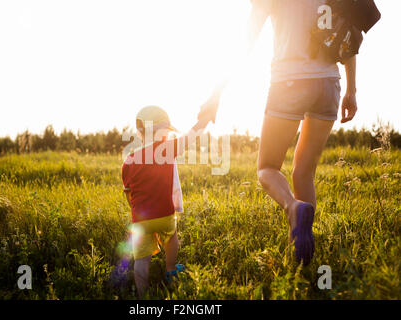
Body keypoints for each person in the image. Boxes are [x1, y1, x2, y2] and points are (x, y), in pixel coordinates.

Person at [197, 0, 358, 266]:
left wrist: (215, 95)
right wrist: (352, 89)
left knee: (267, 168)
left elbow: (244, 44)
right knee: (304, 172)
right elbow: (348, 39)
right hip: (329, 83)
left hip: (289, 81)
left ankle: (293, 207)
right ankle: (302, 254)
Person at [122, 105, 209, 297]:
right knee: (171, 238)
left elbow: (127, 194)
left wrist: (136, 211)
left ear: (140, 132)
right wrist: (205, 119)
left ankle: (142, 295)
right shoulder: (166, 150)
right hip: (165, 214)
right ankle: (170, 269)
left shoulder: (129, 160)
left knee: (142, 260)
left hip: (140, 219)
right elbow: (191, 136)